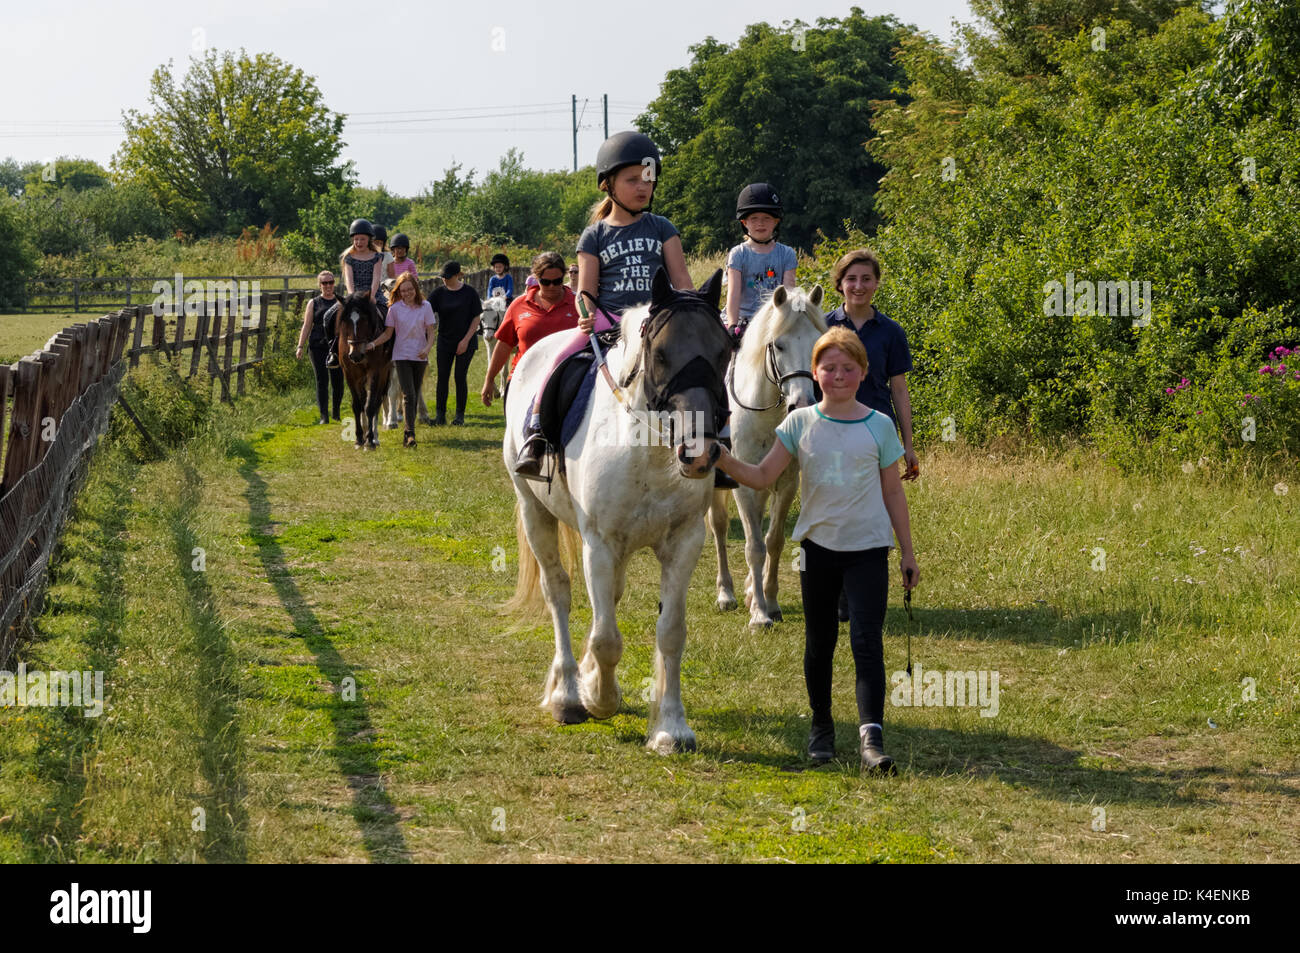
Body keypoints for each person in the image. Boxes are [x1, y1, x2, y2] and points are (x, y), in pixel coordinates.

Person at [715, 327, 920, 773]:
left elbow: (893, 494)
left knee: (867, 642)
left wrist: (907, 551)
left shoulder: (880, 426)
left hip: (869, 549)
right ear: (814, 372)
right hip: (816, 551)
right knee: (820, 642)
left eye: (848, 368)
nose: (839, 375)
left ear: (864, 373)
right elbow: (764, 476)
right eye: (829, 368)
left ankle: (871, 738)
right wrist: (724, 460)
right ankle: (821, 727)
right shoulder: (798, 424)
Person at [514, 130, 694, 479]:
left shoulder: (662, 227)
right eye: (632, 180)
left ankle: (715, 439)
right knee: (559, 359)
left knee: (701, 366)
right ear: (608, 185)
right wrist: (586, 316)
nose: (643, 187)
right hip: (609, 320)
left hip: (658, 322)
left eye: (648, 179)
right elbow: (585, 290)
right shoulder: (594, 236)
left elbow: (682, 282)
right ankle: (536, 437)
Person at [824, 248, 920, 622]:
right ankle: (839, 591)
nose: (858, 286)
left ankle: (867, 587)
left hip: (876, 429)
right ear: (840, 284)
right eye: (851, 279)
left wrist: (908, 445)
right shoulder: (824, 327)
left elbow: (899, 390)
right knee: (835, 507)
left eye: (866, 279)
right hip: (832, 428)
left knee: (876, 510)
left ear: (877, 283)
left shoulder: (892, 332)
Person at [481, 252, 579, 407]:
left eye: (557, 281)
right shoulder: (519, 306)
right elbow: (504, 345)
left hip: (566, 382)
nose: (552, 287)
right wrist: (489, 379)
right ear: (536, 278)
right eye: (546, 282)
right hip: (524, 380)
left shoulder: (578, 305)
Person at [363, 272, 436, 447]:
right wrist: (372, 344)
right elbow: (388, 334)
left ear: (415, 289)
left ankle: (408, 433)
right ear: (399, 292)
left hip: (420, 356)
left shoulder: (425, 306)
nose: (407, 293)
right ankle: (410, 434)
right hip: (402, 355)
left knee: (414, 393)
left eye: (410, 289)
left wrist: (427, 349)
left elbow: (431, 332)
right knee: (409, 394)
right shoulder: (394, 309)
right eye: (403, 290)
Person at [725, 183, 798, 330]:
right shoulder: (738, 254)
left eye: (766, 218)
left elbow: (789, 293)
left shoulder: (787, 254)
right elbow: (733, 295)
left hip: (775, 321)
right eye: (754, 218)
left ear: (776, 221)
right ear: (744, 222)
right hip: (743, 320)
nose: (760, 223)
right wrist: (733, 325)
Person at [326, 219, 384, 368]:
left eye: (362, 239)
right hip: (352, 297)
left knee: (390, 315)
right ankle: (333, 351)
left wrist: (371, 296)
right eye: (356, 239)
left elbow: (376, 278)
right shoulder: (349, 258)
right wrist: (352, 298)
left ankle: (391, 349)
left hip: (372, 295)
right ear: (353, 239)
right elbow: (349, 280)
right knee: (328, 316)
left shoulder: (377, 257)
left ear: (369, 239)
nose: (359, 242)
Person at [429, 260, 482, 425]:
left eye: (448, 277)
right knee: (442, 377)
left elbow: (476, 318)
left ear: (457, 275)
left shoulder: (469, 293)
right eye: (443, 277)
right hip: (445, 340)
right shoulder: (438, 293)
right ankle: (440, 415)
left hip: (466, 341)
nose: (444, 279)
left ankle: (460, 415)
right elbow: (425, 311)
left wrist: (465, 341)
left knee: (460, 376)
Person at [294, 270, 345, 423]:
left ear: (334, 284)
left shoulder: (340, 302)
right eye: (324, 283)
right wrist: (300, 346)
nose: (328, 286)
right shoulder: (314, 303)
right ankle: (324, 416)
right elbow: (307, 325)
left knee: (338, 380)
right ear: (320, 285)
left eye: (331, 282)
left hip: (337, 346)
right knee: (321, 380)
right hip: (317, 345)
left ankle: (336, 412)